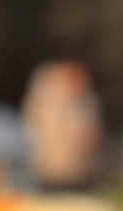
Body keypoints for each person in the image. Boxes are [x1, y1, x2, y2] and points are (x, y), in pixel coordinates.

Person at [19, 59, 102, 191]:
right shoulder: (47, 102)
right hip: (49, 174)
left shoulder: (85, 103)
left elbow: (91, 136)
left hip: (80, 174)